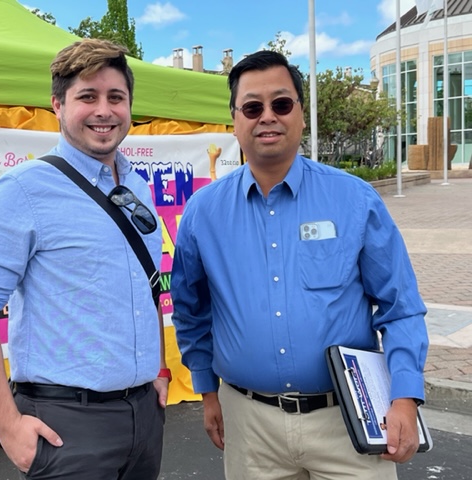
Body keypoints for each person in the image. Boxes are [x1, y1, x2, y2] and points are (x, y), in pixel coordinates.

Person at [170, 50, 428, 480]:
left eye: (281, 104)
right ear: (234, 120)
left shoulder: (354, 199)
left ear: (301, 115)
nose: (267, 116)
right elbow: (191, 309)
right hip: (250, 425)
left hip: (349, 422)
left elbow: (399, 305)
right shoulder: (203, 213)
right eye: (252, 107)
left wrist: (404, 395)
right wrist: (207, 391)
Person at [0, 38, 169, 480]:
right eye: (87, 97)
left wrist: (159, 372)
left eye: (116, 97)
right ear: (57, 105)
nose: (104, 111)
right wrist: (8, 428)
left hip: (145, 415)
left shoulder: (137, 186)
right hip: (67, 427)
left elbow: (148, 287)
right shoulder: (23, 190)